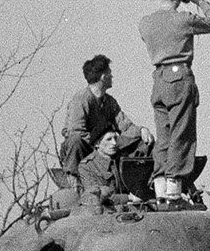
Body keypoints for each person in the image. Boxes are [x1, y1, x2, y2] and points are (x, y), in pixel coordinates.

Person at [137, 0, 210, 201]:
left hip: (158, 79)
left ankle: (160, 188)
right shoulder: (183, 19)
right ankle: (175, 189)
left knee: (163, 135)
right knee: (182, 133)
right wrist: (199, 0)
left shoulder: (145, 22)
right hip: (179, 76)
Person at [59, 54, 153, 208]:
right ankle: (74, 184)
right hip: (85, 147)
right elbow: (75, 131)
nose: (112, 76)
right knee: (75, 140)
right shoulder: (81, 100)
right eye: (110, 72)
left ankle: (141, 184)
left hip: (106, 144)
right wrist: (99, 142)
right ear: (103, 76)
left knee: (141, 142)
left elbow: (125, 125)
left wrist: (142, 130)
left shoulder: (109, 101)